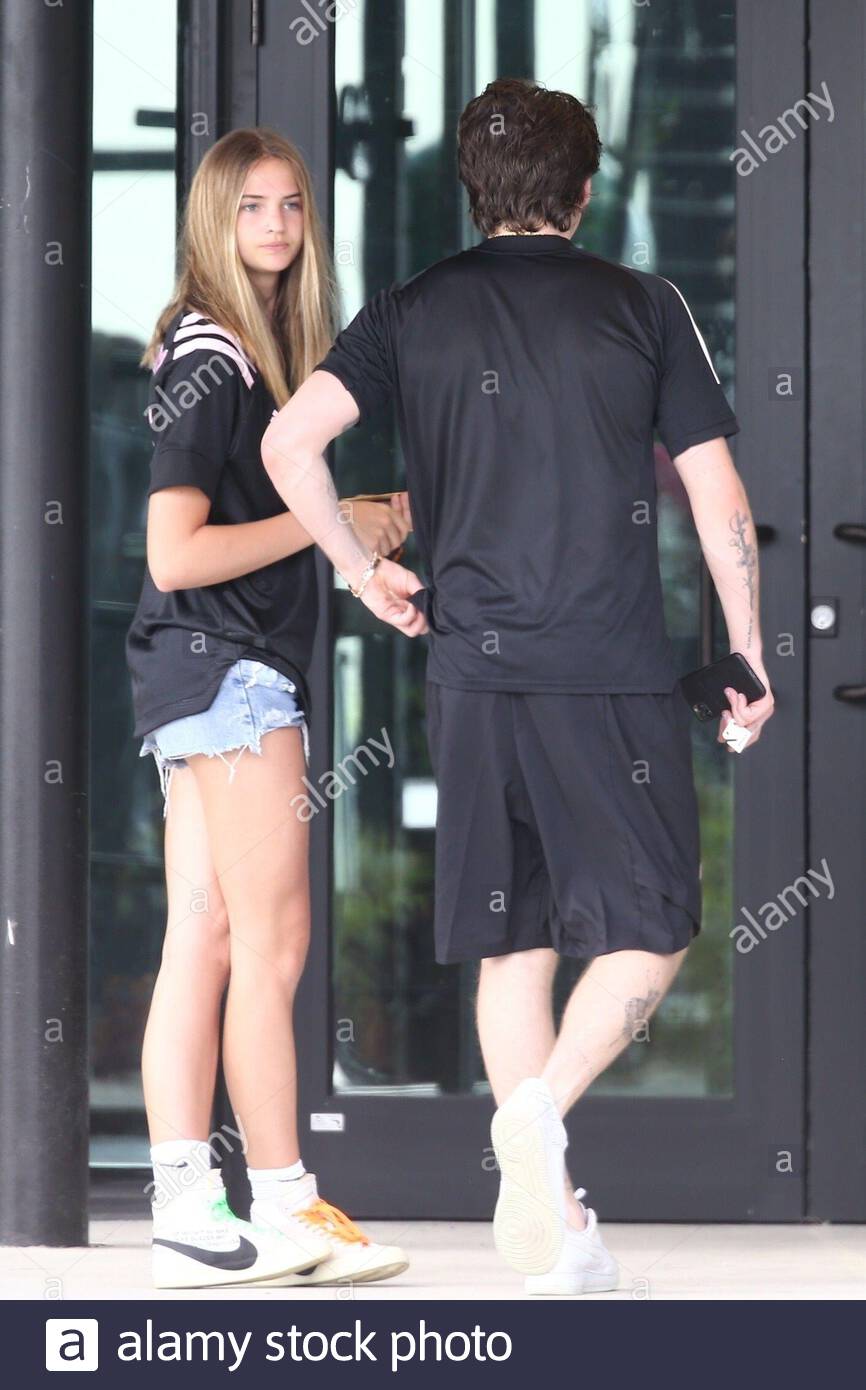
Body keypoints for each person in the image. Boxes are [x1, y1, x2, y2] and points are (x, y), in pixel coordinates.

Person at [260, 78, 775, 1296]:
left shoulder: (411, 309)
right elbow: (717, 495)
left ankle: (562, 1229)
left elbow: (289, 443)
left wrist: (360, 573)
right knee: (651, 928)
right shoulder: (644, 306)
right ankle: (536, 1119)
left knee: (512, 939)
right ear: (583, 191)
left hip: (472, 673)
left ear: (472, 192)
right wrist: (747, 648)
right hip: (608, 671)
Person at [126, 126, 410, 1290]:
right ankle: (285, 1202)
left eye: (291, 204)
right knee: (271, 942)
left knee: (203, 940)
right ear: (214, 220)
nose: (278, 226)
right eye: (251, 206)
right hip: (231, 676)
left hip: (198, 682)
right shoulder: (211, 359)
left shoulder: (233, 352)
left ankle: (188, 1210)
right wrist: (328, 523)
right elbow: (173, 553)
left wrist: (340, 527)